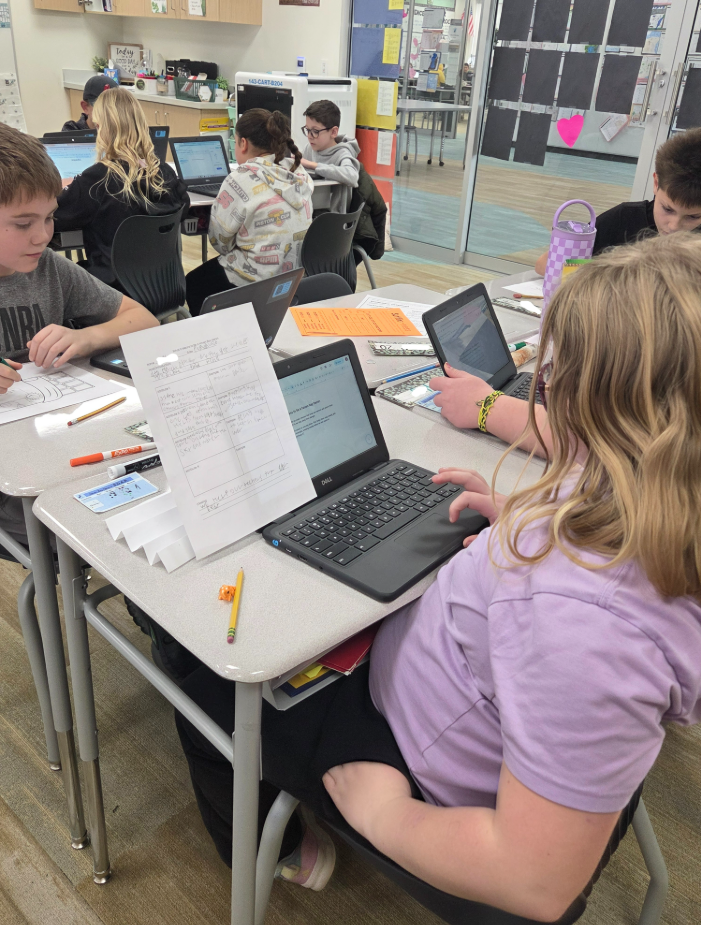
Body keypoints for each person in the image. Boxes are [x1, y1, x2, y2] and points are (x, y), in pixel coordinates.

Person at [174, 233, 701, 918]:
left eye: (552, 377)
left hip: (419, 758)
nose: (542, 391)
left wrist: (383, 814)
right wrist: (527, 515)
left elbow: (533, 881)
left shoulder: (581, 624)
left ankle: (281, 852)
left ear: (602, 409)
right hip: (460, 697)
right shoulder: (656, 493)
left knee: (202, 688)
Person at [0, 122, 158, 547]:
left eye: (50, 217)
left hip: (59, 441)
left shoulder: (49, 268)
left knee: (142, 495)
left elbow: (142, 318)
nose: (43, 235)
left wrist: (87, 338)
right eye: (22, 223)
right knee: (66, 537)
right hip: (14, 479)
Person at [53, 87, 189, 290]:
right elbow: (184, 208)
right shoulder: (164, 172)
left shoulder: (96, 180)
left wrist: (63, 189)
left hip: (113, 292)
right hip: (164, 287)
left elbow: (55, 218)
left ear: (102, 128)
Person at [185, 109, 313, 317]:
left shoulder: (239, 179)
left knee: (193, 282)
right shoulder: (298, 172)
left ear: (243, 143)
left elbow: (220, 242)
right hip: (293, 275)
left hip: (254, 280)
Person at [534, 127, 701, 275]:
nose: (674, 227)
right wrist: (608, 272)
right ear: (656, 183)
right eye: (668, 209)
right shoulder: (624, 218)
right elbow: (545, 264)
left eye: (693, 217)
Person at [300, 100, 360, 214]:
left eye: (315, 131)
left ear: (333, 132)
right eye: (307, 130)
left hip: (333, 219)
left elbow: (352, 176)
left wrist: (313, 165)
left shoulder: (342, 153)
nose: (309, 136)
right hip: (311, 211)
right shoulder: (310, 148)